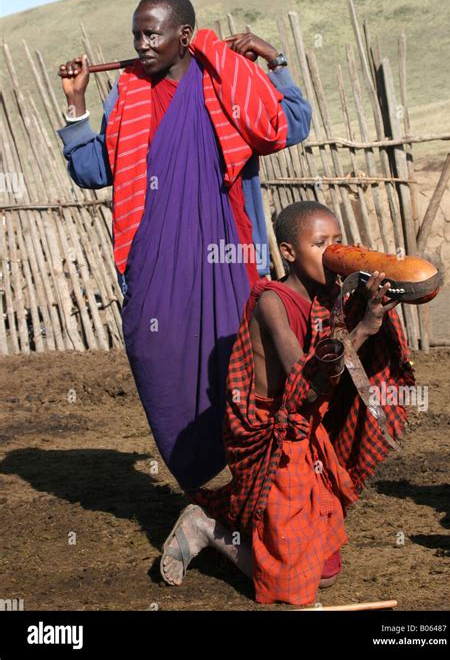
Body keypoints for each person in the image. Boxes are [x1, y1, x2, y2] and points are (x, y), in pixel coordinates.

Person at [56, 0, 312, 491]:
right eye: (137, 35)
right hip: (156, 267)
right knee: (155, 355)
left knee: (244, 372)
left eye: (153, 33)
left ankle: (258, 495)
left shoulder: (225, 78)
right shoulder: (128, 95)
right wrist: (75, 104)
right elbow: (91, 170)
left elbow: (291, 124)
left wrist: (275, 61)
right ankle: (208, 492)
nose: (143, 44)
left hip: (230, 260)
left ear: (185, 36)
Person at [159, 201, 416, 606]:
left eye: (336, 241)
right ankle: (208, 528)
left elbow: (336, 369)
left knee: (327, 573)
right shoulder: (272, 301)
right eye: (319, 244)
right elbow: (306, 387)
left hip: (307, 431)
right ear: (288, 252)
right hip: (274, 433)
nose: (331, 252)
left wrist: (372, 309)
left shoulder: (329, 299)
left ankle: (248, 525)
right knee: (297, 589)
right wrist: (364, 328)